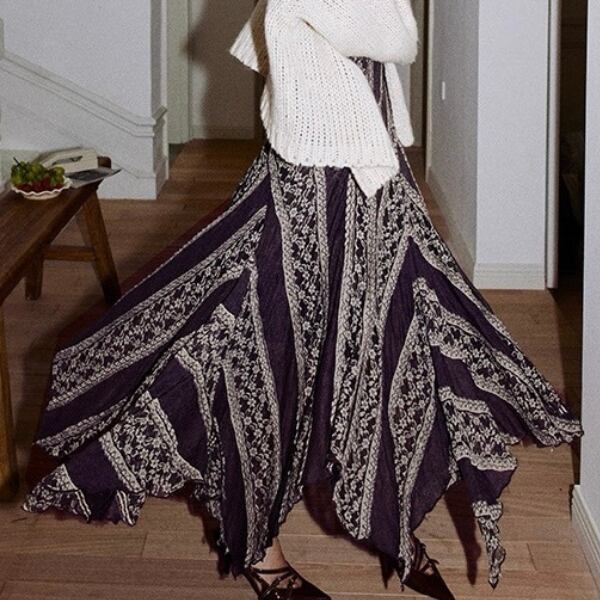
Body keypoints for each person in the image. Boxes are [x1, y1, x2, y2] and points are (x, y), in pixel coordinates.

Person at [21, 1, 583, 599]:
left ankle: (387, 508)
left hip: (365, 163)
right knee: (265, 340)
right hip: (310, 176)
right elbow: (395, 34)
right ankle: (261, 549)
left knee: (386, 328)